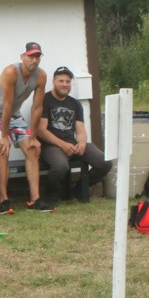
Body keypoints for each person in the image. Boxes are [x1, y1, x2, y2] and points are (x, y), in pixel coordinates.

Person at [0, 41, 55, 214]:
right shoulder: (11, 72)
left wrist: (34, 137)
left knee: (31, 149)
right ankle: (3, 201)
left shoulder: (41, 76)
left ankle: (35, 200)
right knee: (3, 148)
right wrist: (4, 136)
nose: (34, 60)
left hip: (12, 112)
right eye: (31, 56)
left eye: (37, 56)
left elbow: (37, 108)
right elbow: (6, 105)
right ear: (22, 57)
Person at [35, 66, 112, 204]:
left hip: (73, 144)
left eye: (67, 81)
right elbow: (41, 130)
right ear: (54, 81)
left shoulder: (75, 104)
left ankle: (78, 188)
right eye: (61, 81)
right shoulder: (44, 100)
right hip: (51, 146)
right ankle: (51, 192)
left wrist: (82, 143)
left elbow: (80, 129)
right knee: (60, 167)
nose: (64, 84)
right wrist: (63, 145)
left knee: (105, 162)